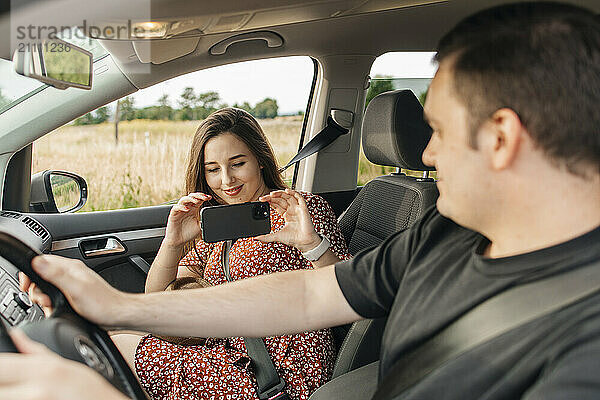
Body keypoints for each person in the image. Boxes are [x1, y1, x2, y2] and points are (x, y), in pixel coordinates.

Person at [2, 2, 600, 399]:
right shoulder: (446, 234)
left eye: (437, 130)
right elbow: (316, 292)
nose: (426, 155)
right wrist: (116, 308)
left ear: (500, 139)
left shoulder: (583, 355)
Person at [22, 107, 352, 400]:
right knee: (109, 340)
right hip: (227, 351)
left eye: (238, 164)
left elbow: (353, 287)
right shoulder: (217, 226)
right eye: (213, 170)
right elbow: (156, 298)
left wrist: (311, 244)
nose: (227, 180)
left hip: (279, 373)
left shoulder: (301, 209)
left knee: (106, 351)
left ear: (261, 160)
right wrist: (172, 242)